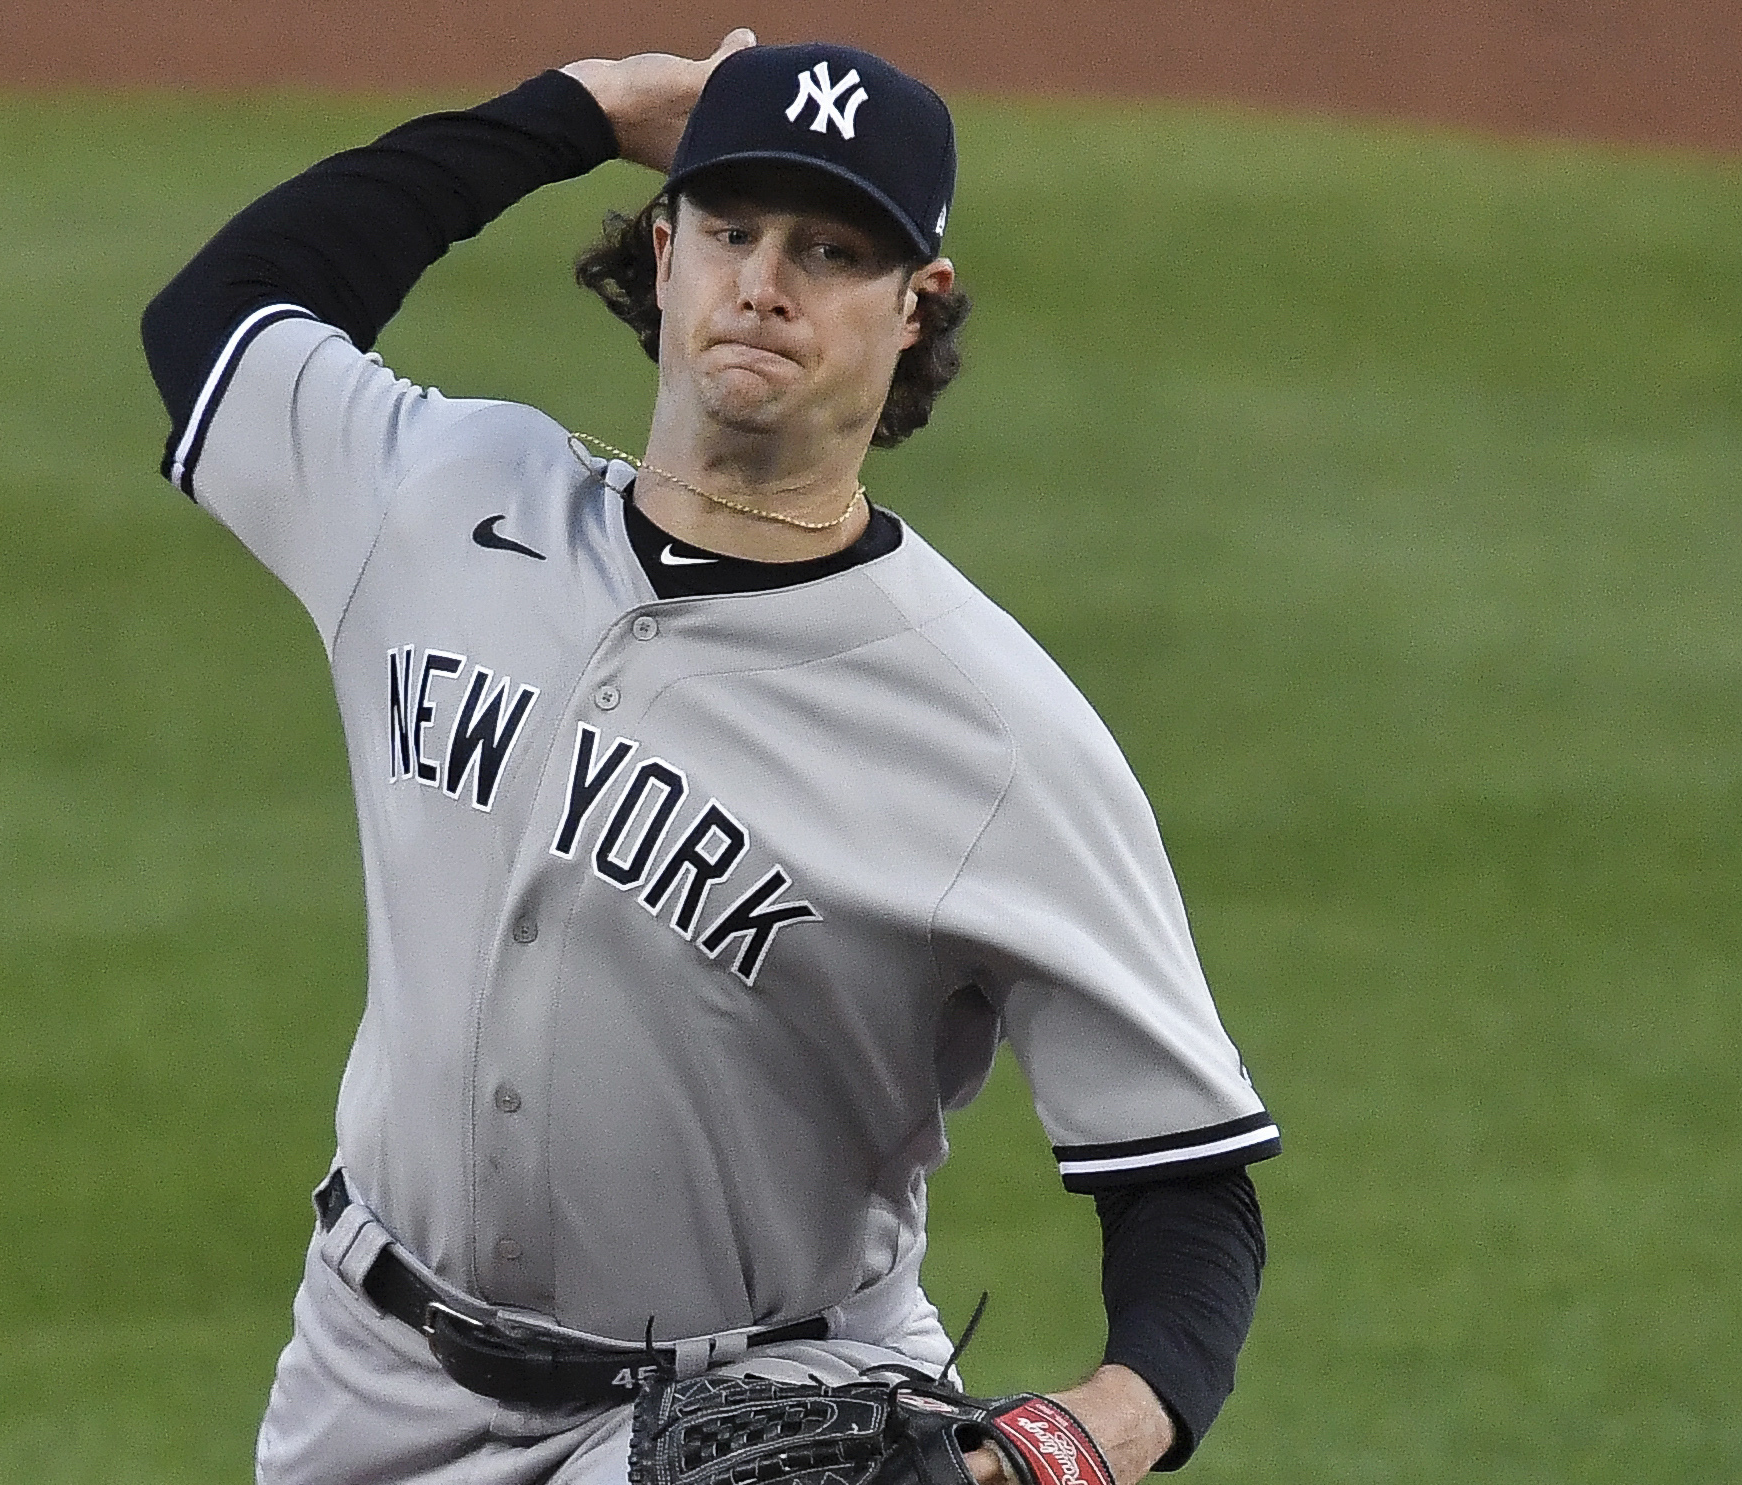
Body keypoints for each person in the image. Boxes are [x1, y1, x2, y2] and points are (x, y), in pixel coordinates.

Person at [140, 31, 1277, 1485]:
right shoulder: (439, 499)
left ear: (916, 308)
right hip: (364, 1377)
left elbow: (1187, 1186)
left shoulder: (993, 731)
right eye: (731, 228)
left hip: (753, 1414)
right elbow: (221, 322)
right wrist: (581, 107)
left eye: (830, 247)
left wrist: (1060, 1446)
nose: (764, 281)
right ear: (663, 252)